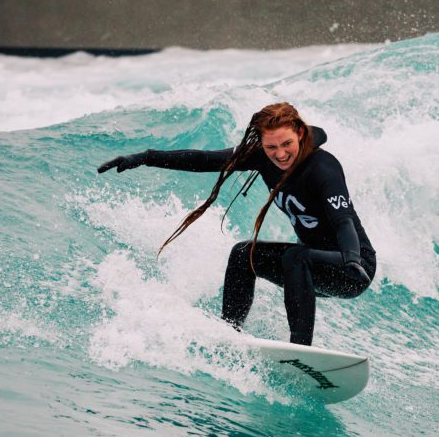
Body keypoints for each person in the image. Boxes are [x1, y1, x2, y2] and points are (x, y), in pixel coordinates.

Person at [97, 102, 375, 346]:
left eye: (286, 144)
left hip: (352, 268)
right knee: (243, 254)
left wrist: (352, 260)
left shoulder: (323, 167)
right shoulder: (261, 157)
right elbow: (205, 160)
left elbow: (343, 221)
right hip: (307, 267)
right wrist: (146, 157)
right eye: (271, 147)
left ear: (300, 134)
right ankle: (230, 333)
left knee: (295, 256)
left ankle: (300, 351)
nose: (280, 154)